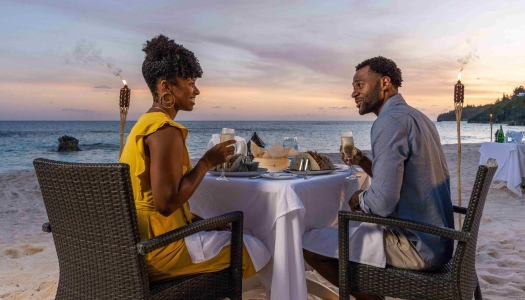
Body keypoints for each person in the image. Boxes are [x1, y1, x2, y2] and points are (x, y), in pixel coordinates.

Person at [120, 34, 270, 282]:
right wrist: (207, 162)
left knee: (231, 234)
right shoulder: (165, 130)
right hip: (161, 252)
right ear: (166, 87)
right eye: (190, 83)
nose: (196, 90)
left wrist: (201, 223)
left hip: (135, 247)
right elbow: (166, 205)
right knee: (254, 247)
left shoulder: (143, 124)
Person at [303, 56, 454, 300]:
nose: (353, 93)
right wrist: (362, 161)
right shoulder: (419, 118)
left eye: (359, 85)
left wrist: (359, 199)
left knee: (309, 243)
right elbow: (401, 182)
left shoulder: (389, 122)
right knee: (351, 230)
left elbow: (383, 203)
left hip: (416, 245)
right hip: (439, 239)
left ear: (384, 83)